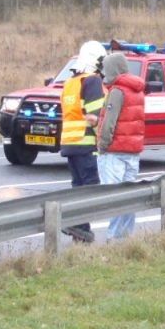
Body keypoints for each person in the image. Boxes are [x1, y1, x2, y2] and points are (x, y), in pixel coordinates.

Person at [59, 40, 107, 242]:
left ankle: (81, 233)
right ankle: (76, 224)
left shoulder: (70, 82)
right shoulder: (92, 81)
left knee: (78, 187)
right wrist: (104, 141)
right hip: (86, 143)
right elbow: (95, 117)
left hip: (70, 143)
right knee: (92, 187)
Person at [96, 51, 146, 240]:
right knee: (129, 198)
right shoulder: (137, 89)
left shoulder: (117, 91)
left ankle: (113, 238)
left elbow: (109, 122)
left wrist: (102, 145)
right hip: (132, 151)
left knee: (114, 198)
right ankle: (125, 239)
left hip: (114, 151)